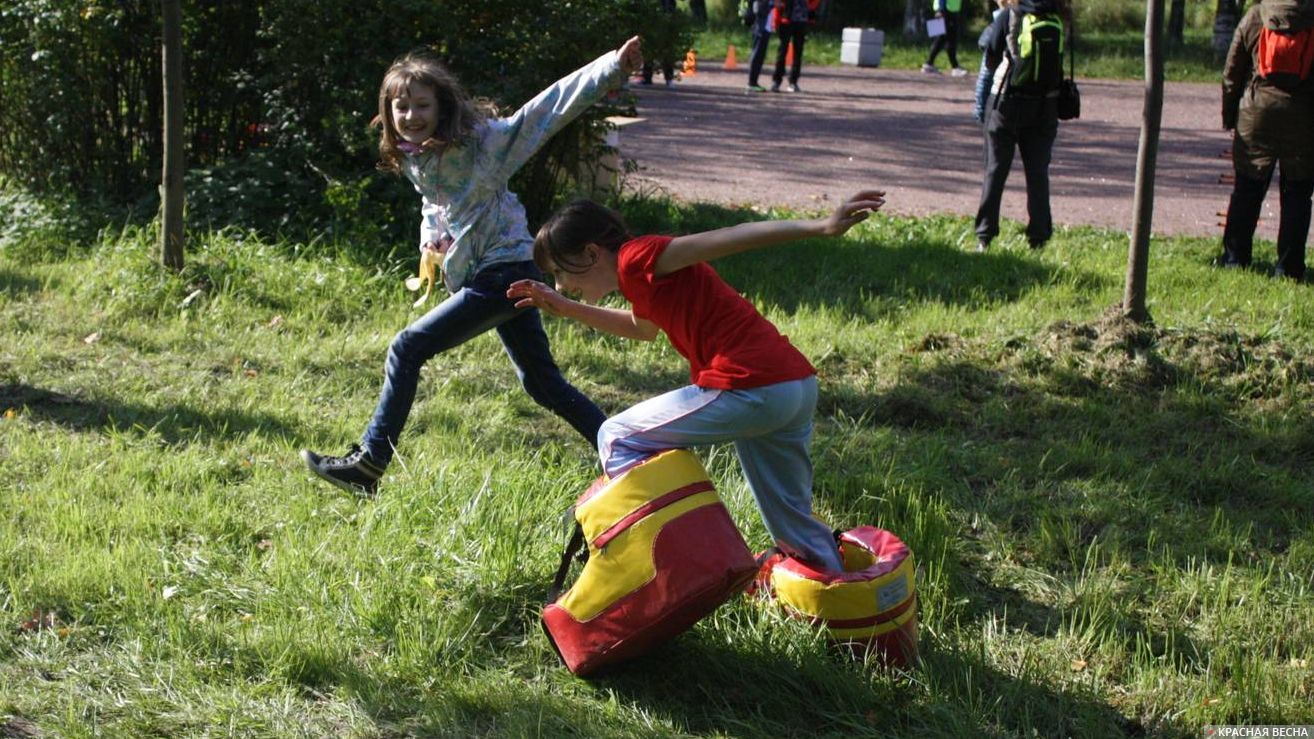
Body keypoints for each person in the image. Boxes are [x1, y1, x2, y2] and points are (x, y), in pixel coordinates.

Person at [299, 38, 644, 497]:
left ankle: (370, 463)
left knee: (407, 348)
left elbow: (546, 111)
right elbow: (435, 203)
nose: (411, 115)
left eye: (422, 105)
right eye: (401, 107)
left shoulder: (484, 145)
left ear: (442, 107)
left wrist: (612, 68)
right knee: (543, 384)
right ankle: (629, 460)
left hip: (503, 272)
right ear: (388, 111)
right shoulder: (416, 155)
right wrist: (432, 240)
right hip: (501, 272)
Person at [505, 190, 887, 574]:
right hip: (793, 387)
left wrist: (822, 225)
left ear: (590, 253)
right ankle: (845, 605)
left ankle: (666, 563)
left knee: (615, 436)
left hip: (750, 384)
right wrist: (568, 309)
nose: (559, 285)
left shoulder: (639, 256)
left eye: (559, 272)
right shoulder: (637, 277)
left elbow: (729, 237)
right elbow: (643, 329)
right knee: (792, 525)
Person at [1219, 0, 1314, 282]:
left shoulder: (1256, 16)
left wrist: (1229, 114)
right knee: (1297, 193)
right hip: (1304, 118)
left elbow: (1232, 71)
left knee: (1247, 189)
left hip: (1256, 115)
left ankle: (1235, 259)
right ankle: (1289, 268)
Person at [973, 0, 1066, 252]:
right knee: (1037, 174)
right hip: (1046, 106)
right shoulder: (1056, 17)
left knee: (995, 169)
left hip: (1007, 104)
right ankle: (1038, 237)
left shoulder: (1009, 15)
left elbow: (990, 54)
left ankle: (985, 236)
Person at [974, 0, 1019, 123]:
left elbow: (985, 77)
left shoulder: (1000, 23)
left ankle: (982, 111)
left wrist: (980, 109)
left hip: (1002, 96)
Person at [771, 0, 818, 92]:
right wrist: (776, 21)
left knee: (798, 53)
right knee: (782, 51)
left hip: (802, 21)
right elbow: (778, 3)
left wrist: (810, 6)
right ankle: (776, 81)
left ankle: (793, 82)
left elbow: (815, 2)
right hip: (786, 20)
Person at [923, 0, 969, 77]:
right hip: (946, 10)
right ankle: (955, 67)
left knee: (941, 39)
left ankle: (929, 64)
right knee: (950, 39)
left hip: (949, 10)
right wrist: (940, 9)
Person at [641, 0, 678, 87]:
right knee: (650, 48)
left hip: (665, 16)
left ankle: (668, 78)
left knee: (666, 48)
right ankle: (647, 77)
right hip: (654, 16)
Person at [745, 0, 775, 92]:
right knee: (757, 54)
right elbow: (759, 8)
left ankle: (754, 81)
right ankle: (751, 82)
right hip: (760, 27)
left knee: (760, 55)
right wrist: (772, 4)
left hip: (765, 26)